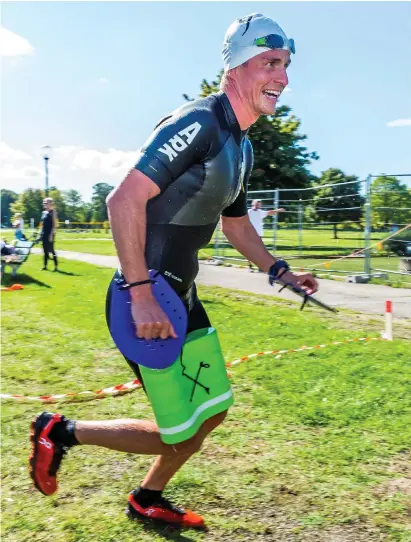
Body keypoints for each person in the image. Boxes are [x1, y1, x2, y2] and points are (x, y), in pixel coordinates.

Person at [29, 13, 318, 529]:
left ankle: (147, 496)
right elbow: (123, 201)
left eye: (286, 65)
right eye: (270, 63)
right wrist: (140, 292)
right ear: (234, 69)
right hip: (144, 300)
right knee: (178, 431)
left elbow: (237, 228)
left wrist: (281, 271)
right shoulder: (200, 123)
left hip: (181, 299)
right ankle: (58, 430)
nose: (283, 77)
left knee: (214, 408)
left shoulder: (242, 146)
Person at [247, 199, 285, 271]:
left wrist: (278, 210)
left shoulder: (260, 212)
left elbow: (269, 212)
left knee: (260, 251)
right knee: (250, 251)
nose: (258, 205)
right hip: (250, 235)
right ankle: (250, 266)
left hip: (258, 235)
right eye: (257, 203)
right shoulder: (249, 212)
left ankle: (260, 267)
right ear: (253, 204)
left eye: (259, 204)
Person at [39, 197, 58, 271]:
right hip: (44, 233)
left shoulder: (53, 212)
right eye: (44, 203)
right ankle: (45, 266)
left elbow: (54, 225)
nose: (44, 204)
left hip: (50, 234)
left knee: (52, 250)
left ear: (50, 203)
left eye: (46, 203)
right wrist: (40, 232)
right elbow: (42, 224)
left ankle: (56, 266)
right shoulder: (44, 213)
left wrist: (51, 235)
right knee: (45, 250)